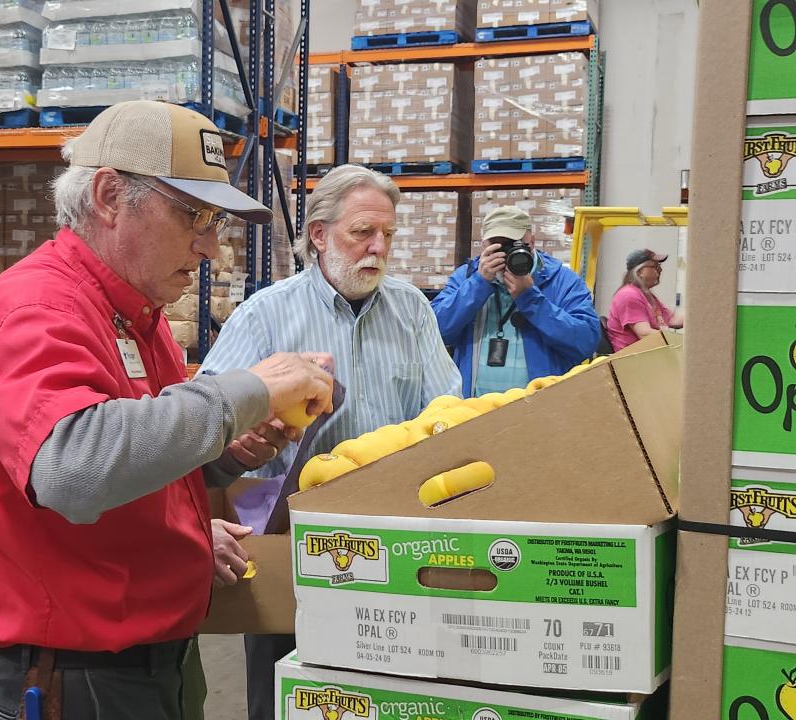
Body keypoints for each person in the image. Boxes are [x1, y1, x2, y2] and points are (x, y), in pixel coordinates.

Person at [0, 100, 337, 720]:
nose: (211, 248)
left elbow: (134, 458)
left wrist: (229, 451)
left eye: (217, 223)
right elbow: (73, 467)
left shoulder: (134, 314)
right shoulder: (37, 310)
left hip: (152, 659)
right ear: (108, 196)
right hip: (76, 678)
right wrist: (248, 389)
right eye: (193, 217)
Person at [198, 163, 462, 720]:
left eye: (388, 234)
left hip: (395, 544)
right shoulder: (266, 315)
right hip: (296, 544)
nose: (378, 248)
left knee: (384, 695)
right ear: (319, 235)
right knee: (286, 696)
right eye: (362, 232)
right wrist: (246, 437)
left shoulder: (411, 310)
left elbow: (446, 411)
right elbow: (204, 419)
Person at [431, 205, 600, 397]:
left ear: (532, 242)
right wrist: (478, 284)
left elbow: (586, 342)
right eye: (497, 246)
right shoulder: (467, 277)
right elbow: (435, 332)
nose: (505, 254)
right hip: (474, 409)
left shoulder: (561, 280)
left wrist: (530, 297)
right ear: (484, 245)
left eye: (513, 244)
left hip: (540, 409)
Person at [606, 248, 684, 351]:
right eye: (655, 266)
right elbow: (644, 333)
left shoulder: (647, 295)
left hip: (649, 357)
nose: (660, 270)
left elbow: (672, 320)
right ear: (639, 272)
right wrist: (680, 342)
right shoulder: (628, 295)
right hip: (633, 361)